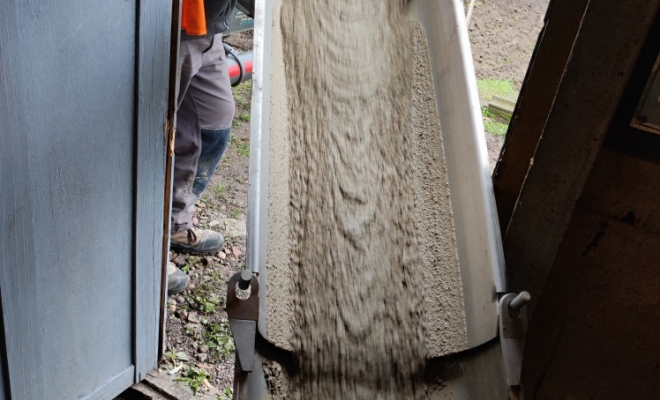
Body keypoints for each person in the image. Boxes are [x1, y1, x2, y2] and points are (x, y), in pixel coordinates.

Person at [168, 0, 238, 295]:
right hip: (168, 27)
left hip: (208, 26)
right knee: (146, 140)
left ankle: (174, 222)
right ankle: (143, 248)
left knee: (212, 128)